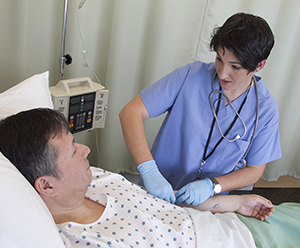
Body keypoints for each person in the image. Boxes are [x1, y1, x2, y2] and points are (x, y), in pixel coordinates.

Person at [0, 108, 274, 247]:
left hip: (229, 224)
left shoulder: (95, 179)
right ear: (46, 185)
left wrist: (235, 204)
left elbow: (169, 209)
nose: (86, 150)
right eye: (73, 150)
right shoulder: (83, 240)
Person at [119, 12, 282, 205]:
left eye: (235, 67)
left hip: (208, 203)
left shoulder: (265, 110)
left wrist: (213, 185)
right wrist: (149, 170)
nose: (223, 73)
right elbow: (131, 112)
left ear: (259, 65)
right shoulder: (190, 76)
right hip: (158, 193)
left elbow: (255, 170)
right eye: (219, 59)